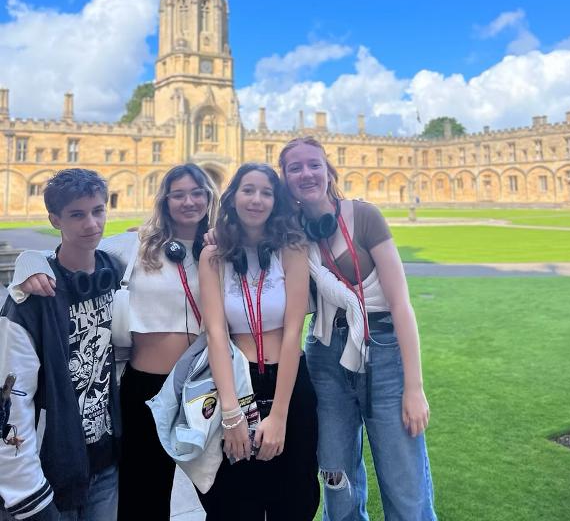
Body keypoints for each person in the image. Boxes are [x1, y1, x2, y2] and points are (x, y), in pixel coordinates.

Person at [8, 163, 217, 521]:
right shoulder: (135, 244)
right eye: (178, 194)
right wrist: (27, 263)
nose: (189, 201)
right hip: (146, 388)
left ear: (210, 197)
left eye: (198, 192)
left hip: (202, 385)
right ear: (164, 200)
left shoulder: (221, 249)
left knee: (219, 490)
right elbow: (71, 252)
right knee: (143, 497)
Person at [279, 137, 437, 521]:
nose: (306, 174)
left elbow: (401, 304)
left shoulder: (365, 216)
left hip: (382, 349)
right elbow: (240, 228)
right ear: (285, 179)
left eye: (314, 164)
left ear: (328, 170)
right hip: (325, 356)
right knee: (336, 473)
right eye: (295, 168)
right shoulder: (288, 232)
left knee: (403, 477)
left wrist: (414, 388)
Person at [198, 163, 319, 521]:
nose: (257, 199)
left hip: (288, 382)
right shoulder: (213, 255)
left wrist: (279, 415)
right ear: (233, 197)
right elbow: (216, 333)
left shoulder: (292, 249)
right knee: (234, 504)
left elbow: (294, 332)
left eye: (266, 192)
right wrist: (232, 414)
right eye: (248, 190)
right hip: (235, 382)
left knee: (293, 501)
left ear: (276, 201)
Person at [0, 168, 123, 521]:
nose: (91, 224)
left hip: (107, 461)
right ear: (55, 219)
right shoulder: (32, 298)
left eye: (98, 211)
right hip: (54, 465)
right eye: (77, 214)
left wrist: (28, 257)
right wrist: (25, 491)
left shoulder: (116, 272)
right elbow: (12, 395)